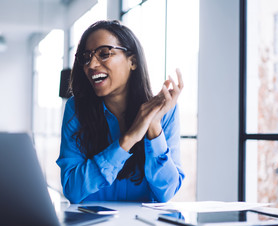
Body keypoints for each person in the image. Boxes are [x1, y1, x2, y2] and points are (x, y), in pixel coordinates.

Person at [56, 20, 184, 204]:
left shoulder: (165, 111)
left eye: (104, 53)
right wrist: (128, 139)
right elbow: (73, 190)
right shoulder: (76, 109)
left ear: (132, 61)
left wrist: (153, 127)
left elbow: (167, 192)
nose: (91, 64)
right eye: (86, 57)